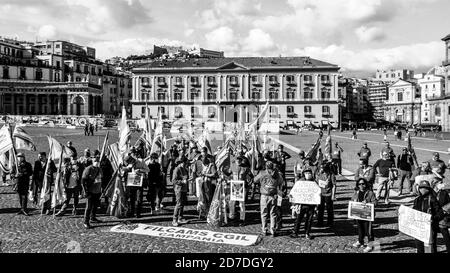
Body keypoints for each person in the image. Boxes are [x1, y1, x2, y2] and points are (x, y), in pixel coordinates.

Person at [254, 161, 284, 237]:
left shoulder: (262, 173)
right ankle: (272, 230)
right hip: (273, 196)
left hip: (264, 195)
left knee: (264, 213)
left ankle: (264, 230)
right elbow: (281, 182)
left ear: (266, 166)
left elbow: (255, 180)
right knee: (273, 213)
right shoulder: (277, 174)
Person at [413, 180, 443, 253]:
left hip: (430, 228)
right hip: (419, 227)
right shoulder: (417, 200)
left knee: (430, 248)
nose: (422, 189)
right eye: (421, 188)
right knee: (419, 246)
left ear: (428, 189)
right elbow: (413, 211)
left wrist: (433, 218)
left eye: (425, 188)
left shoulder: (432, 199)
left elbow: (440, 213)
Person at [290, 169, 316, 239]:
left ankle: (307, 233)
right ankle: (295, 232)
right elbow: (295, 191)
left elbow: (317, 192)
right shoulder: (300, 182)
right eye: (306, 173)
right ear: (304, 174)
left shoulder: (314, 182)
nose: (308, 174)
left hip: (311, 204)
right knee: (298, 219)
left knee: (309, 219)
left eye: (309, 173)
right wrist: (294, 203)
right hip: (302, 204)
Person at [352, 178, 377, 253]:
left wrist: (368, 203)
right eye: (359, 184)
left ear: (366, 184)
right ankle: (360, 241)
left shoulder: (370, 193)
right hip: (359, 214)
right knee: (360, 229)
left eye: (363, 184)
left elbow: (375, 202)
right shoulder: (356, 192)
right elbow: (352, 199)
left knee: (368, 231)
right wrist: (354, 201)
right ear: (358, 185)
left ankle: (370, 245)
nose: (361, 185)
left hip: (367, 215)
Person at [229, 154, 253, 226]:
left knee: (241, 204)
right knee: (232, 203)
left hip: (242, 188)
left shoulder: (245, 168)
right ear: (235, 160)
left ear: (241, 160)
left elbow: (252, 177)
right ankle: (231, 216)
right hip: (234, 187)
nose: (238, 161)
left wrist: (248, 185)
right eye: (237, 159)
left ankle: (242, 219)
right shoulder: (232, 166)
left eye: (239, 159)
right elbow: (228, 173)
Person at [123, 154, 149, 218]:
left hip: (139, 182)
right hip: (131, 183)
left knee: (139, 198)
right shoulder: (129, 164)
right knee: (132, 198)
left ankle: (138, 213)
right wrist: (124, 169)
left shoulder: (141, 161)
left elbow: (148, 170)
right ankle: (132, 212)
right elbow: (125, 170)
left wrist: (140, 170)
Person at [81, 156, 103, 229]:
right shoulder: (88, 169)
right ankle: (86, 221)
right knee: (89, 207)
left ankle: (92, 217)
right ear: (93, 161)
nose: (97, 162)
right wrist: (85, 191)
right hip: (90, 191)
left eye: (98, 161)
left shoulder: (99, 169)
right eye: (95, 161)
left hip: (98, 190)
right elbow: (83, 181)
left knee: (95, 205)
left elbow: (101, 179)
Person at [316, 162, 336, 227]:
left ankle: (330, 222)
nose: (321, 169)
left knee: (329, 209)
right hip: (321, 193)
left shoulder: (331, 175)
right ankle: (320, 222)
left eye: (322, 168)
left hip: (328, 194)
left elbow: (334, 185)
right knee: (320, 209)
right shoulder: (319, 174)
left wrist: (333, 195)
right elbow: (316, 183)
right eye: (321, 168)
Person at [172, 156, 189, 227]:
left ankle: (180, 218)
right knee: (178, 204)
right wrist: (182, 182)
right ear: (182, 162)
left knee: (182, 204)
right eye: (185, 163)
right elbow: (174, 180)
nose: (186, 165)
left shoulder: (184, 169)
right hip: (179, 189)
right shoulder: (177, 169)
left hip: (184, 189)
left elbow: (185, 177)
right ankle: (174, 220)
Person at [435, 180, 450, 253]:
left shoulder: (445, 192)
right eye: (439, 183)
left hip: (444, 216)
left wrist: (443, 211)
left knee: (444, 232)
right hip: (437, 216)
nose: (441, 184)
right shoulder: (435, 192)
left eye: (441, 183)